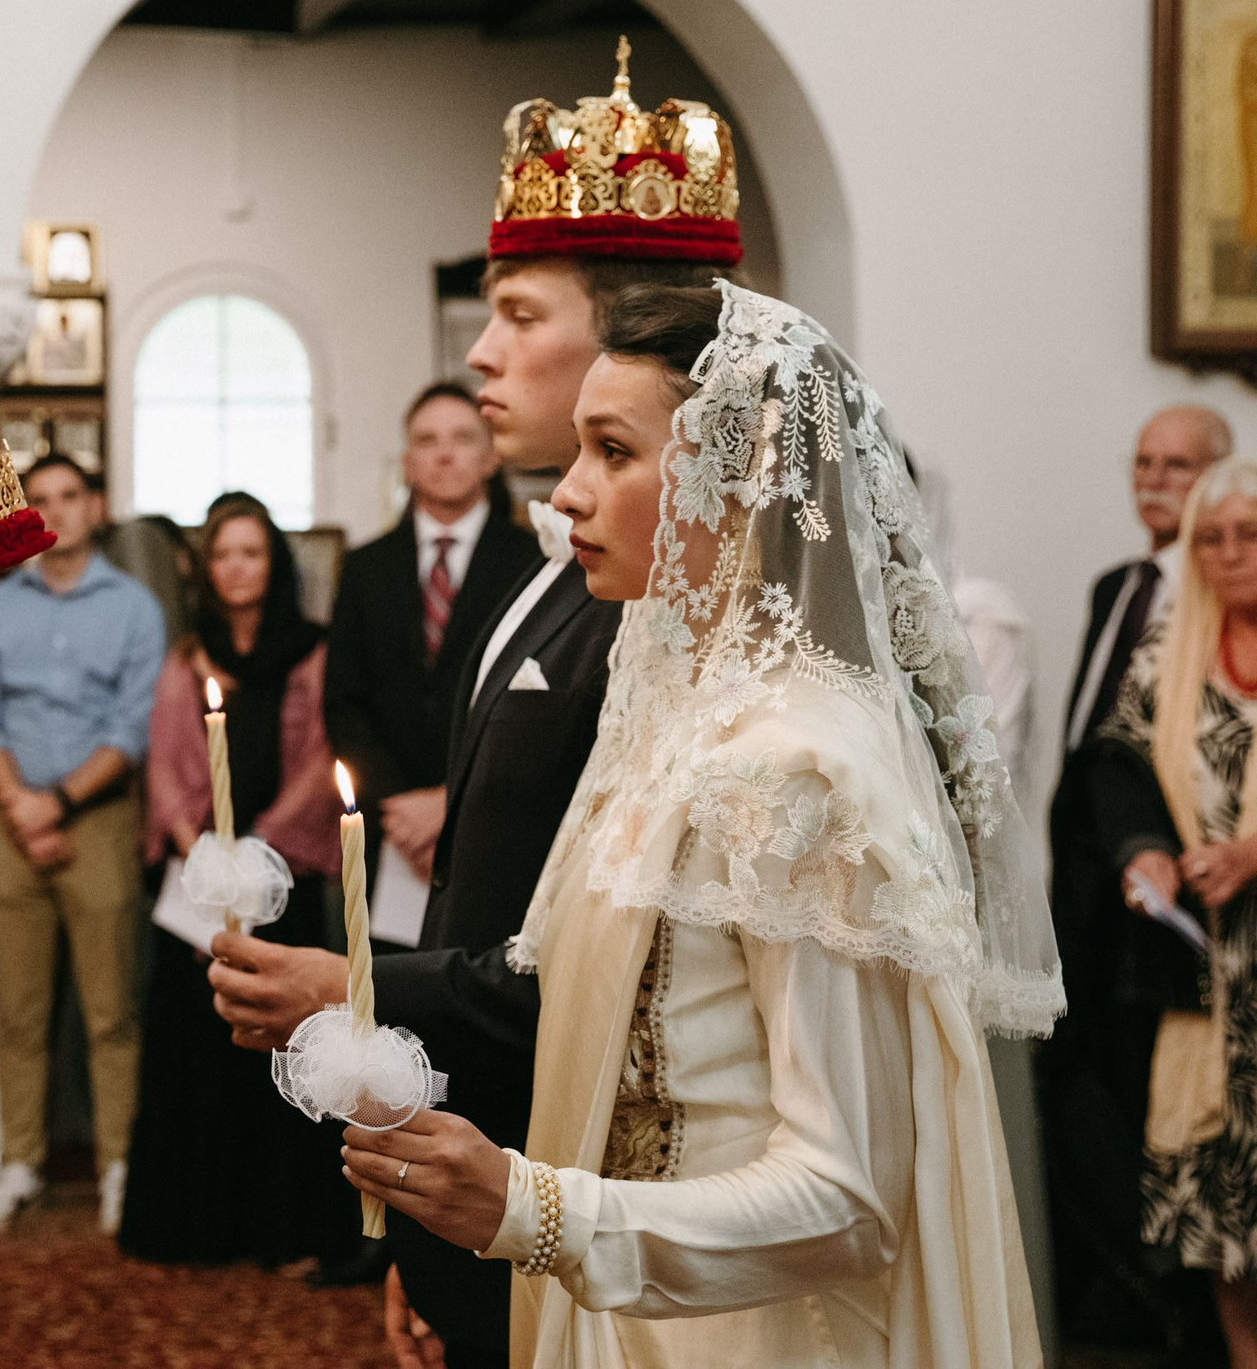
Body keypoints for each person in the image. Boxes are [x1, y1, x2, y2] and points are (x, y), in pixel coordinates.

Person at [340, 280, 1059, 1366]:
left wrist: (529, 1212)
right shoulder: (667, 722)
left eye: (614, 452)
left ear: (741, 475)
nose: (569, 494)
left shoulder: (798, 769)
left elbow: (845, 1194)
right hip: (626, 1315)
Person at [207, 47, 737, 1368]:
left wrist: (355, 979)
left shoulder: (677, 603)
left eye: (514, 312)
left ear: (626, 340)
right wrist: (431, 1216)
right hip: (486, 1158)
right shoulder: (556, 566)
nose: (482, 356)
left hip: (583, 1182)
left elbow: (624, 961)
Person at [117, 493, 353, 1267]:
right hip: (204, 886)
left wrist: (258, 853)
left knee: (283, 1053)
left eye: (251, 553)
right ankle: (197, 1227)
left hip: (280, 880)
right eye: (223, 554)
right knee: (199, 1048)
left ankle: (285, 1229)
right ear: (205, 568)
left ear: (274, 563)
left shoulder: (314, 650)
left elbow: (324, 760)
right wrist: (207, 858)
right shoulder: (188, 656)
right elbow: (170, 764)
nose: (237, 567)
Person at [1043, 405, 1235, 1345]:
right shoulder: (1122, 588)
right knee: (1094, 1101)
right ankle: (1134, 1310)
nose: (1156, 480)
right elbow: (1106, 747)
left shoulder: (1218, 599)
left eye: (1180, 465)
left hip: (1207, 904)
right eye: (1144, 462)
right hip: (1105, 881)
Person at [0, 452, 166, 1236]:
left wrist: (59, 803)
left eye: (68, 496)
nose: (55, 511)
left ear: (96, 505)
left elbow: (132, 726)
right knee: (18, 1009)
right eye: (37, 499)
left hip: (99, 820)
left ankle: (119, 1167)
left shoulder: (135, 607)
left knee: (111, 1010)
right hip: (9, 822)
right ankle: (19, 1165)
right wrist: (21, 805)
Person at [1088, 456, 1257, 1366]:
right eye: (1212, 537)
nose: (1231, 554)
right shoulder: (1169, 648)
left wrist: (1253, 854)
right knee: (1226, 1215)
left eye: (1252, 533)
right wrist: (1145, 849)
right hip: (1205, 975)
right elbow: (1117, 765)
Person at [322, 382, 533, 908]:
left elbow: (533, 707)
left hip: (498, 823)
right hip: (388, 832)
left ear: (490, 458)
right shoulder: (364, 568)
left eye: (463, 438)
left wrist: (451, 803)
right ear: (407, 463)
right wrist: (400, 808)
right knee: (378, 987)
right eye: (427, 440)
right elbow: (344, 704)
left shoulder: (534, 565)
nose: (444, 452)